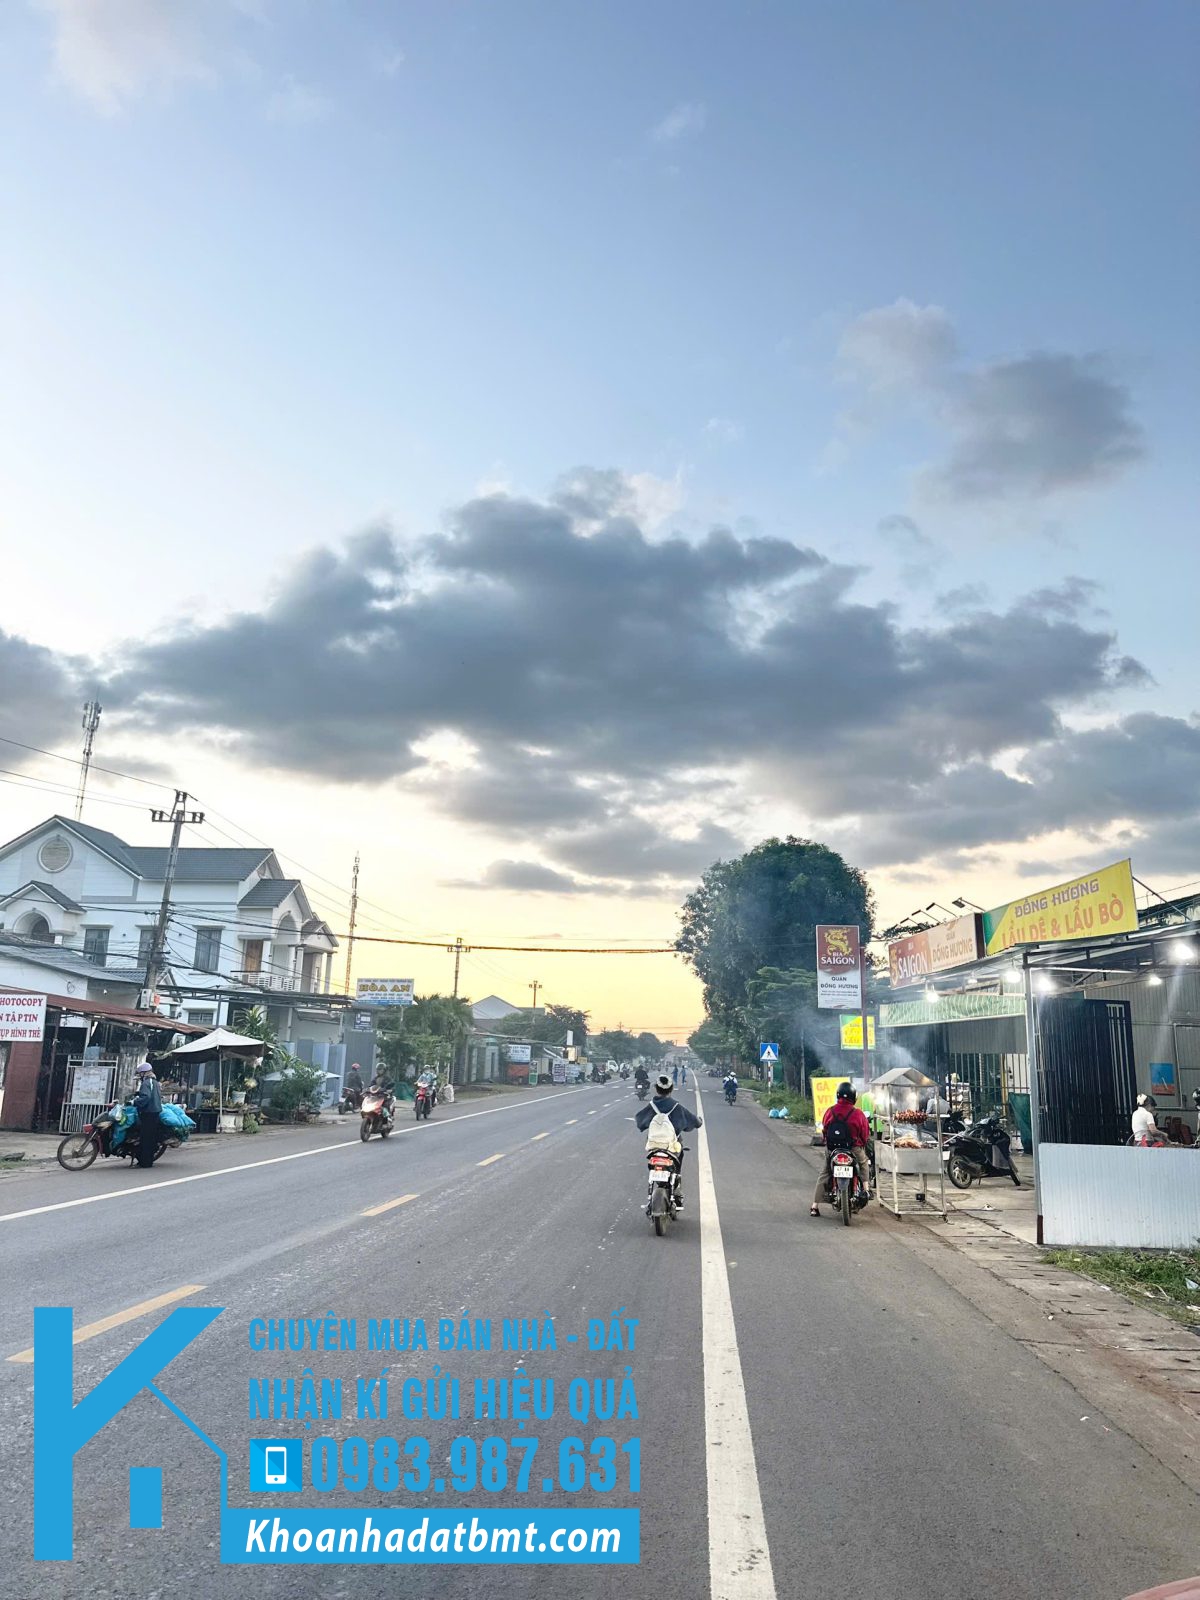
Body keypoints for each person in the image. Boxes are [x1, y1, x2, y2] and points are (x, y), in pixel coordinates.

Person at [635, 1073, 702, 1209]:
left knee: (652, 1164)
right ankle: (676, 1189)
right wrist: (698, 1121)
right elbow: (693, 1122)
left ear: (656, 1089)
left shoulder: (651, 1106)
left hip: (654, 1147)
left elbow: (640, 1122)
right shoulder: (676, 1107)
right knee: (678, 1159)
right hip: (671, 1147)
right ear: (671, 1089)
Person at [811, 1081, 871, 1216]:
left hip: (833, 1149)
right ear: (854, 1097)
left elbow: (825, 1129)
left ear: (838, 1095)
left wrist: (827, 1142)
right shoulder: (858, 1113)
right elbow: (864, 1134)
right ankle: (866, 1190)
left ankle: (814, 1206)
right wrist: (861, 1143)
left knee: (825, 1172)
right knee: (863, 1164)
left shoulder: (830, 1111)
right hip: (853, 1149)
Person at [132, 1062, 163, 1169]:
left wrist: (135, 1102)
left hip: (149, 1113)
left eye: (140, 1073)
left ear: (144, 1073)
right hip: (156, 1112)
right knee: (151, 1138)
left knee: (145, 1138)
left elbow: (146, 1097)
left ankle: (145, 1162)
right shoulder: (155, 1082)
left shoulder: (146, 1083)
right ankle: (148, 1161)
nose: (140, 1075)